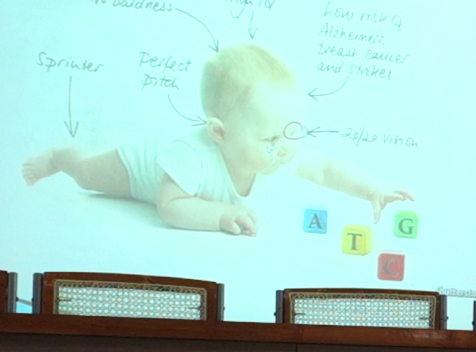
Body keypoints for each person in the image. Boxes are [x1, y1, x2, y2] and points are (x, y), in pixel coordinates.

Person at [22, 43, 411, 235]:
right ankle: (61, 157)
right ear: (220, 133)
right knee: (89, 175)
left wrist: (372, 189)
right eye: (271, 138)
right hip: (139, 166)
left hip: (165, 161)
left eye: (291, 131)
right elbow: (170, 205)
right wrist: (220, 216)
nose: (285, 147)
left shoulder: (277, 152)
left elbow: (325, 169)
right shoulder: (192, 155)